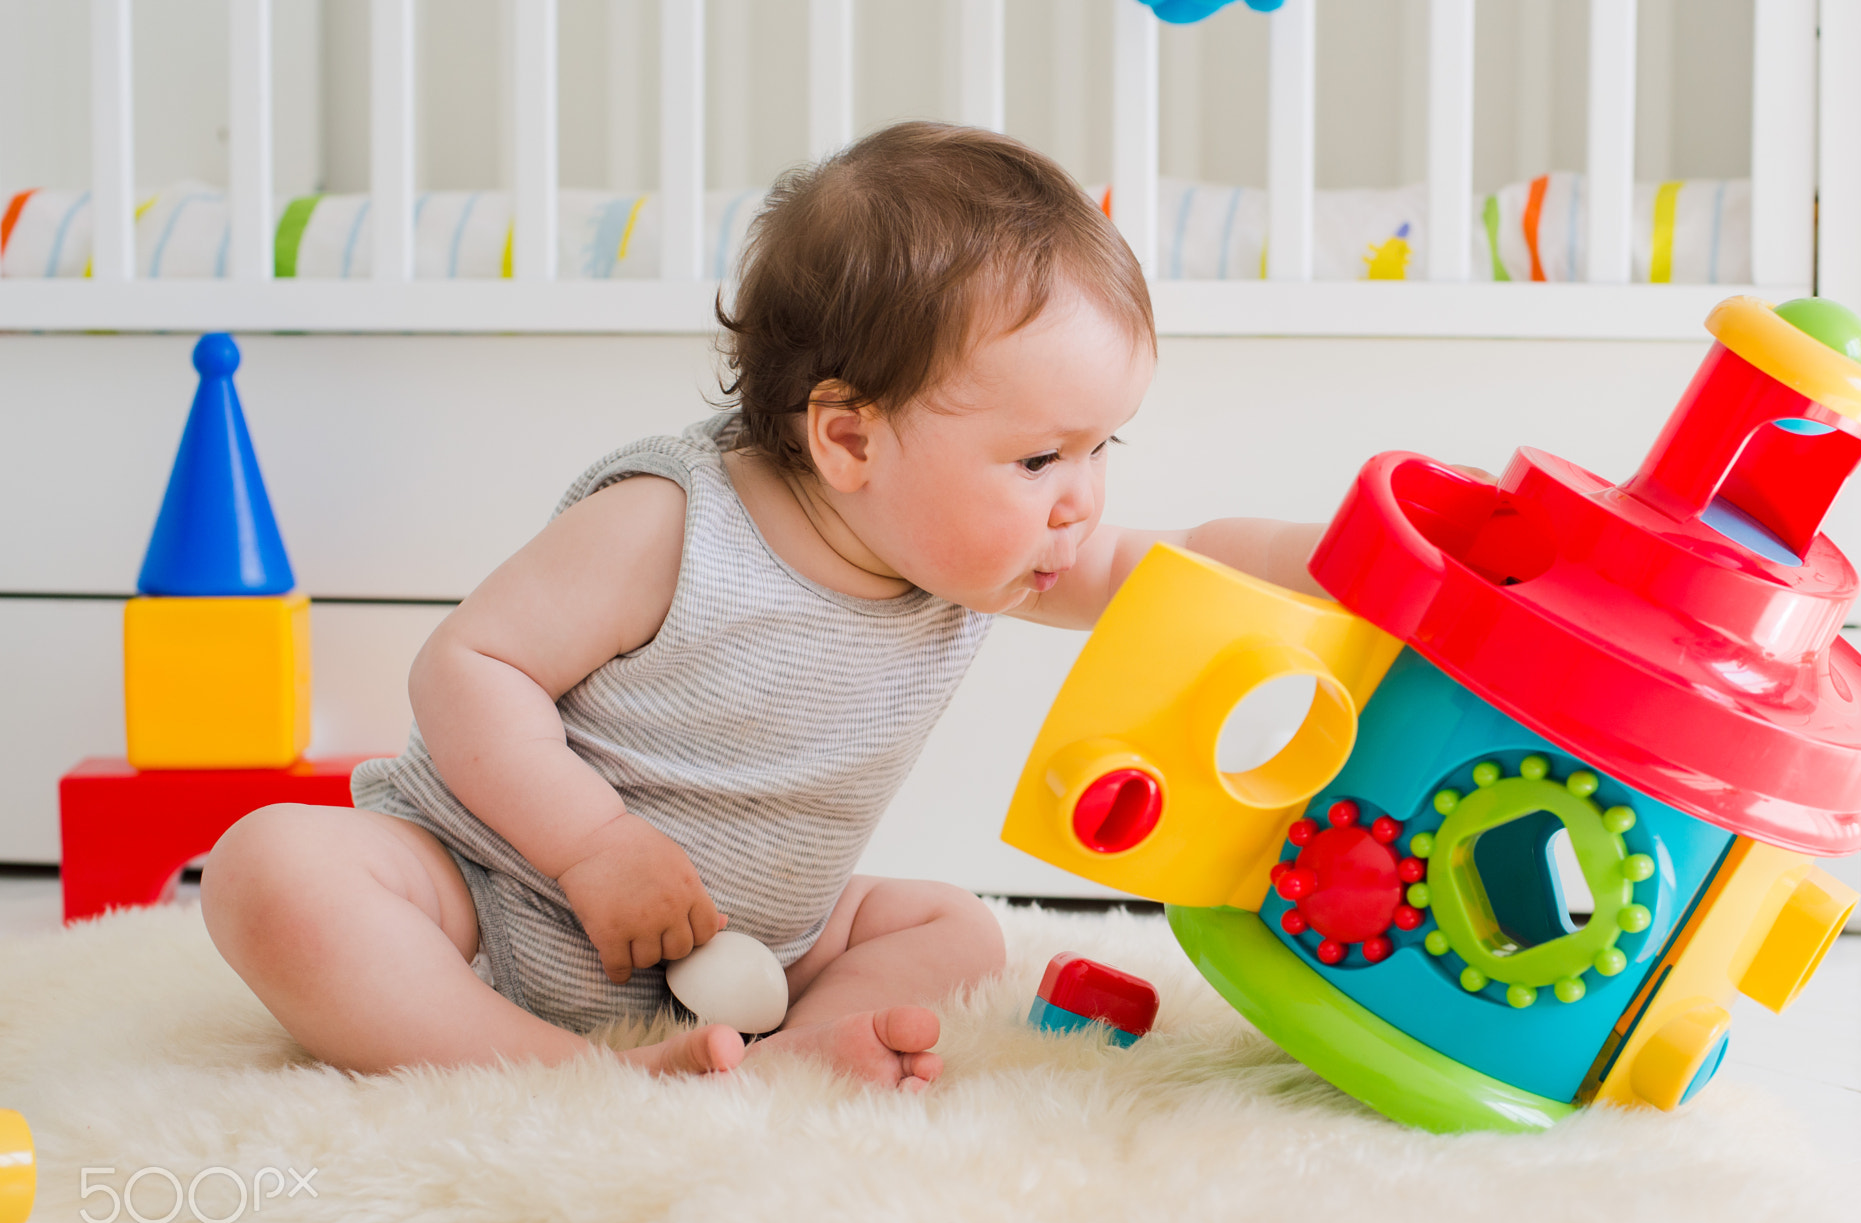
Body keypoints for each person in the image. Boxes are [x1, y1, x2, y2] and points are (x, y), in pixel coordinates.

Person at [201, 122, 1328, 1093]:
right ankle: (556, 1077)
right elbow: (467, 667)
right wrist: (592, 845)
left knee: (951, 927)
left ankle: (796, 1057)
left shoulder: (980, 556)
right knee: (275, 871)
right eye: (1038, 457)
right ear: (849, 437)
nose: (1081, 499)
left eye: (1099, 447)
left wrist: (1329, 558)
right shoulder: (669, 519)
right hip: (498, 897)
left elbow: (1173, 567)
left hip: (755, 942)